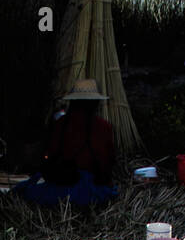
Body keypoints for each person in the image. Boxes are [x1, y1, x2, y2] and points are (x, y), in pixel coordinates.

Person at [16, 78, 117, 207]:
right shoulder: (105, 127)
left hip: (63, 185)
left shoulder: (60, 124)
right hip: (91, 190)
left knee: (30, 191)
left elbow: (49, 156)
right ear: (95, 102)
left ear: (73, 102)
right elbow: (108, 162)